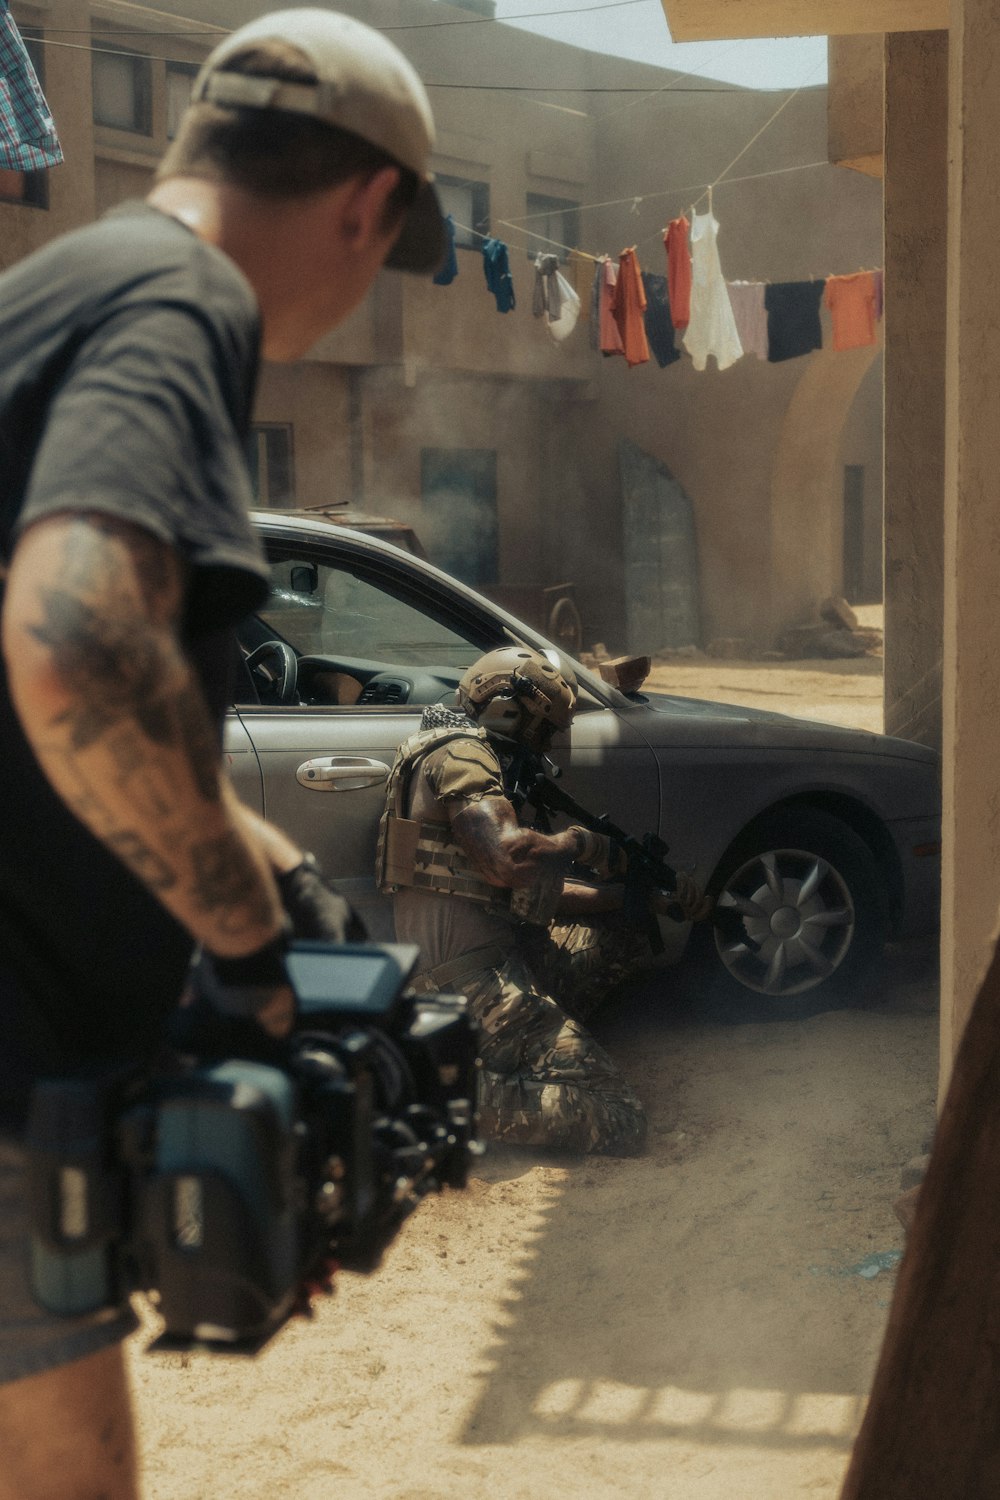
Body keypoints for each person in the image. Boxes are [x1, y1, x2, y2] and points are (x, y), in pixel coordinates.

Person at [0, 11, 446, 1498]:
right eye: (388, 251)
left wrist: (288, 902)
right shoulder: (182, 304)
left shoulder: (60, 290)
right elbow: (71, 642)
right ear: (368, 204)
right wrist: (252, 959)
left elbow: (122, 742)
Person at [377, 646, 707, 1157]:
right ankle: (446, 1097)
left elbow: (530, 895)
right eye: (543, 728)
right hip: (471, 988)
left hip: (477, 971)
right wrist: (580, 844)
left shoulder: (446, 756)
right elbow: (509, 859)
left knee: (625, 927)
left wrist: (638, 897)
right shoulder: (463, 755)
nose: (546, 743)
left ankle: (523, 1054)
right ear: (507, 708)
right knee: (618, 1114)